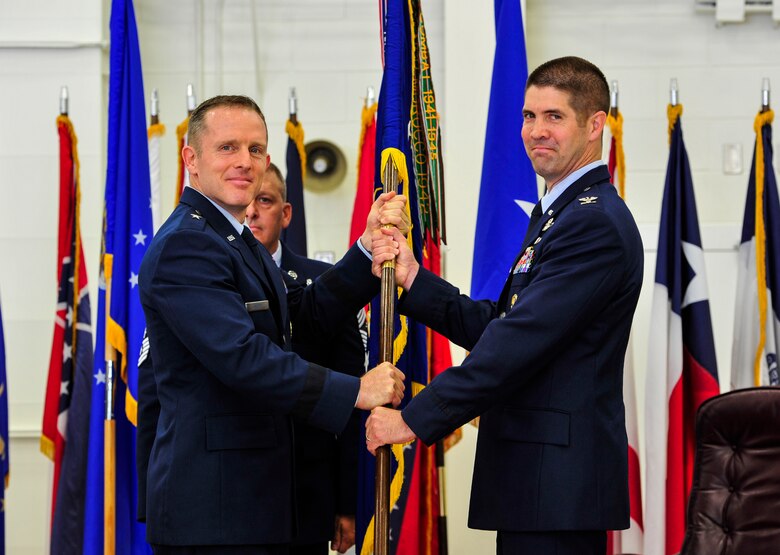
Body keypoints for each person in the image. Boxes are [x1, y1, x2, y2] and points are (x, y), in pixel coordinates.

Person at [366, 56, 644, 555]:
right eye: (528, 116)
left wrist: (414, 419)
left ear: (595, 123)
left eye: (554, 117)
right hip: (536, 482)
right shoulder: (559, 213)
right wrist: (412, 277)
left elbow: (516, 343)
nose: (536, 131)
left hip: (556, 485)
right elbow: (502, 323)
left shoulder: (592, 222)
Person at [138, 94, 407, 554]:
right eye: (228, 148)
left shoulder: (234, 238)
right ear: (191, 159)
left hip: (254, 506)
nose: (245, 162)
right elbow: (243, 358)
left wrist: (363, 251)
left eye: (256, 149)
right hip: (215, 514)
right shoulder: (188, 245)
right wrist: (356, 391)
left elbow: (296, 317)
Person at [245, 162, 363, 555]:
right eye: (246, 200)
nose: (252, 211)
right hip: (235, 495)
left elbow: (351, 402)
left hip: (306, 496)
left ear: (286, 212)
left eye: (265, 200)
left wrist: (347, 503)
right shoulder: (212, 283)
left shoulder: (327, 286)